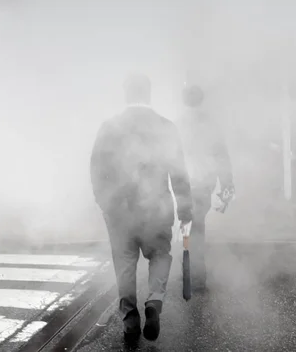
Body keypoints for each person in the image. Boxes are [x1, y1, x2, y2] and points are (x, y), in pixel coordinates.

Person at [90, 73, 193, 342]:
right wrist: (185, 212)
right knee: (160, 255)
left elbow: (97, 169)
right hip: (156, 207)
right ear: (149, 94)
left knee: (124, 265)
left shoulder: (110, 127)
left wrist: (105, 203)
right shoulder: (166, 127)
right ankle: (154, 302)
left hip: (120, 211)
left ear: (126, 95)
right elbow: (179, 173)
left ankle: (130, 321)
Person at [176, 84, 235, 291]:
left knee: (187, 226)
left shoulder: (178, 124)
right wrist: (227, 186)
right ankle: (197, 277)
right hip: (203, 183)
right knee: (198, 227)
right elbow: (222, 157)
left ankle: (189, 274)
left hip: (183, 183)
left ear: (184, 100)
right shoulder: (210, 124)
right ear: (202, 100)